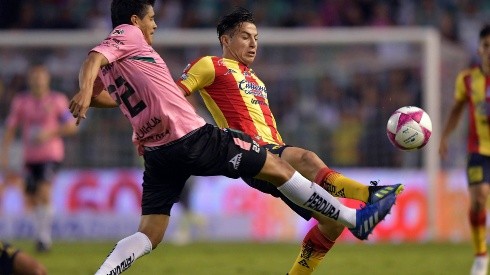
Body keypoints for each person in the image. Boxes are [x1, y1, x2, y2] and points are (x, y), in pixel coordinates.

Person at [68, 1, 399, 274]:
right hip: (193, 136)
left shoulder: (121, 66)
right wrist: (84, 92)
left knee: (150, 232)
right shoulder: (137, 39)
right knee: (292, 164)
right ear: (135, 19)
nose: (155, 25)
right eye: (152, 18)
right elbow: (98, 59)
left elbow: (109, 86)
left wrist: (89, 96)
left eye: (256, 37)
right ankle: (360, 210)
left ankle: (103, 273)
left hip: (157, 150)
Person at [176, 7, 404, 274]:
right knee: (306, 157)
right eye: (245, 37)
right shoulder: (209, 65)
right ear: (226, 40)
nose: (253, 44)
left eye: (256, 38)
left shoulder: (256, 80)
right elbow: (174, 94)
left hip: (274, 151)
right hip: (252, 151)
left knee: (332, 223)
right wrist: (194, 127)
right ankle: (369, 195)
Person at [0, 64, 78, 252]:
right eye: (34, 77)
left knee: (44, 191)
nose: (37, 80)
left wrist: (49, 133)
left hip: (51, 154)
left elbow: (71, 126)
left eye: (40, 76)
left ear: (47, 79)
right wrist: (4, 152)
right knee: (32, 197)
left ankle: (44, 239)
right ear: (29, 80)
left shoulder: (57, 100)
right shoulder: (21, 101)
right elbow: (11, 128)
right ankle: (40, 235)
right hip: (30, 157)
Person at [439, 24, 490, 275]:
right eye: (486, 46)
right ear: (480, 49)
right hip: (478, 150)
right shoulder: (467, 79)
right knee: (479, 198)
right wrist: (445, 136)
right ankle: (481, 255)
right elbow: (457, 107)